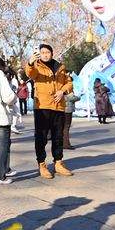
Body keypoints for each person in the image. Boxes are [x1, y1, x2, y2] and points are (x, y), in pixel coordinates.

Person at [25, 44, 73, 180]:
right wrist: (30, 62)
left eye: (47, 52)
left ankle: (58, 162)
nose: (45, 54)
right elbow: (30, 73)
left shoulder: (61, 67)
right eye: (43, 52)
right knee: (41, 137)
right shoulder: (36, 66)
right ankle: (41, 164)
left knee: (58, 136)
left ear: (52, 53)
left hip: (58, 106)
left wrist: (62, 91)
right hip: (42, 107)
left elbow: (69, 83)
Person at [61, 75, 80, 150]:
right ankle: (66, 144)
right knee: (66, 127)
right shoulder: (67, 89)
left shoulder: (61, 88)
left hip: (62, 109)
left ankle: (64, 143)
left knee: (63, 127)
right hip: (68, 110)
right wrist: (79, 97)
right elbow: (72, 98)